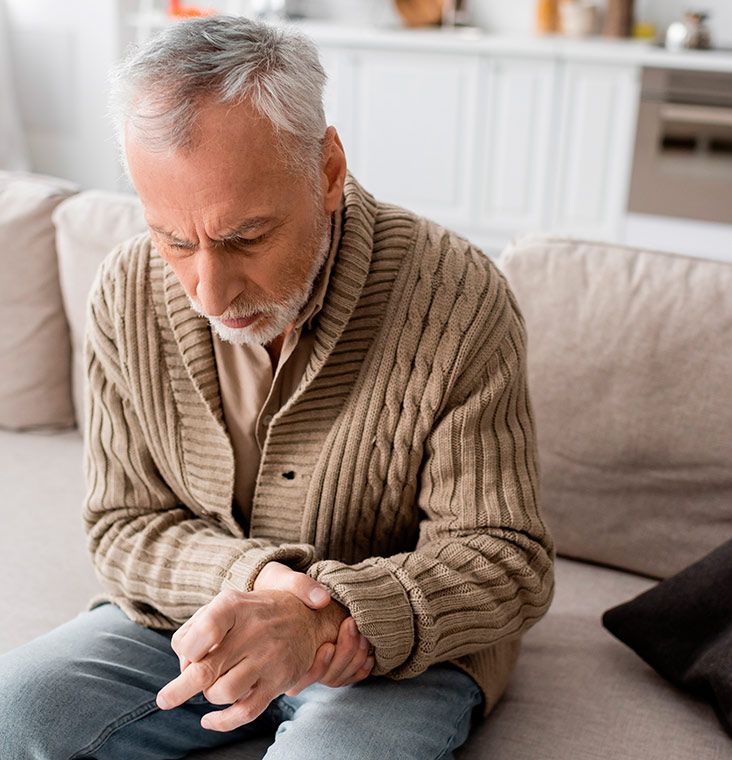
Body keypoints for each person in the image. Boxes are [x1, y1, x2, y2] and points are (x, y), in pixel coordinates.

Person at [0, 15, 554, 760]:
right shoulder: (125, 291)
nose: (209, 290)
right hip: (183, 623)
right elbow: (121, 525)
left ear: (327, 173)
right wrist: (258, 582)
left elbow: (506, 557)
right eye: (175, 239)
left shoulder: (456, 297)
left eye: (245, 237)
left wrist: (332, 618)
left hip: (391, 658)